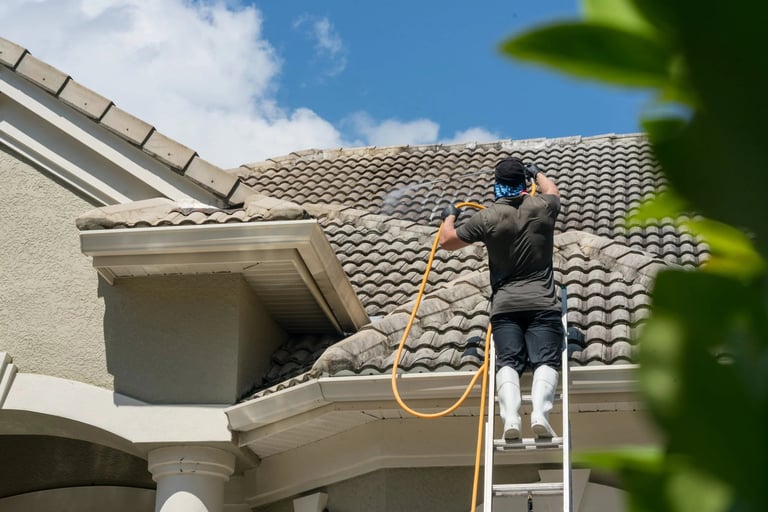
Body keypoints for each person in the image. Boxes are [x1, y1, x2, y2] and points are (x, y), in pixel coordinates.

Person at [438, 156, 563, 440]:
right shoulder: (543, 208)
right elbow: (553, 191)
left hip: (505, 307)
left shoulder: (486, 217)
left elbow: (446, 242)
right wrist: (538, 173)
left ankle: (511, 420)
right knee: (545, 360)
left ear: (497, 184)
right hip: (542, 303)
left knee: (508, 362)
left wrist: (450, 215)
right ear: (524, 182)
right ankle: (540, 415)